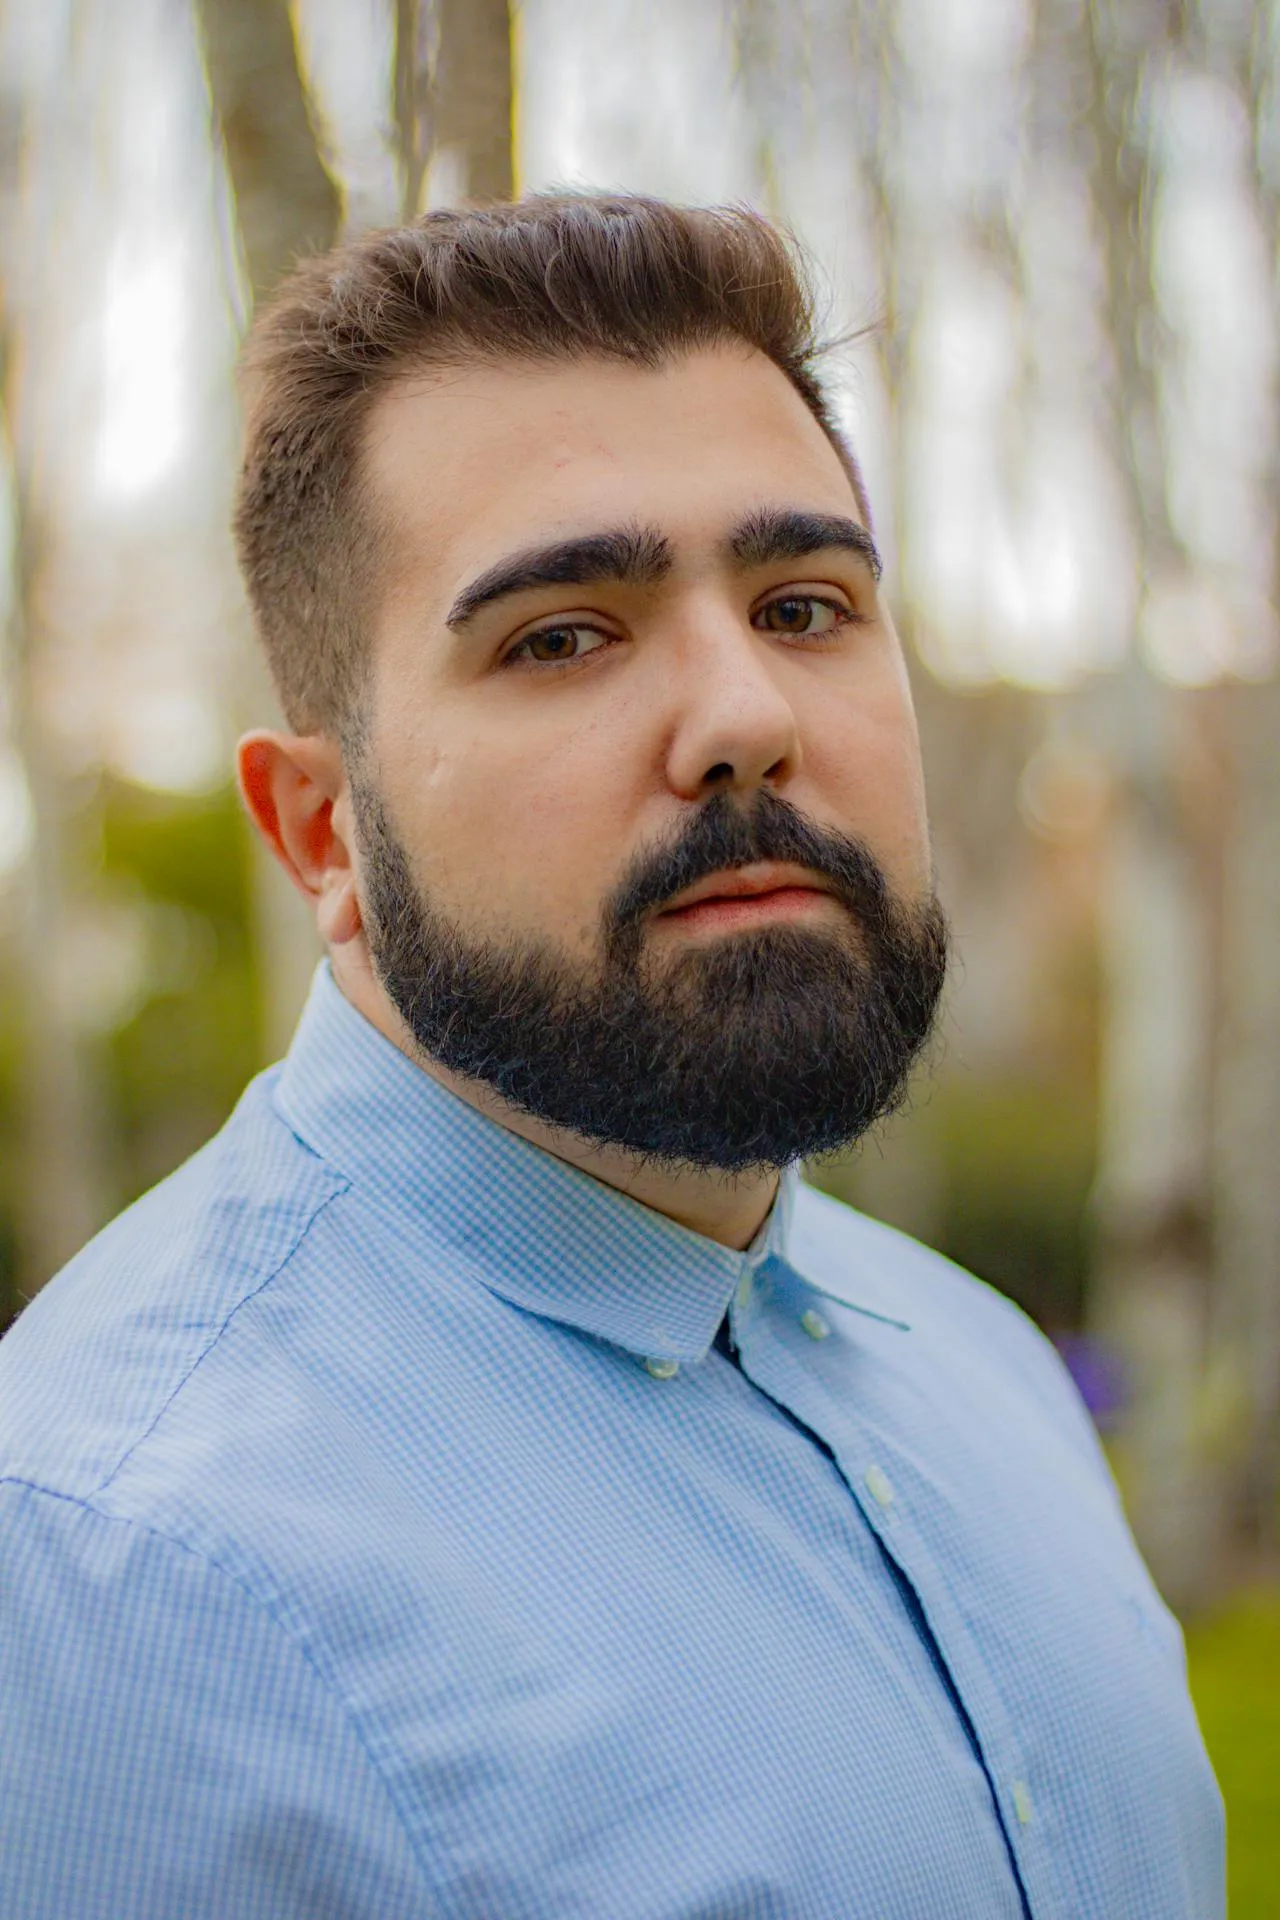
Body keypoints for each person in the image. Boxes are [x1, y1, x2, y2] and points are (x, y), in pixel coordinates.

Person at [0, 195, 1222, 1919]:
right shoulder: (110, 1568)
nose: (746, 720)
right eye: (562, 635)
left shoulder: (978, 1364)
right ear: (322, 833)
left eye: (804, 605)